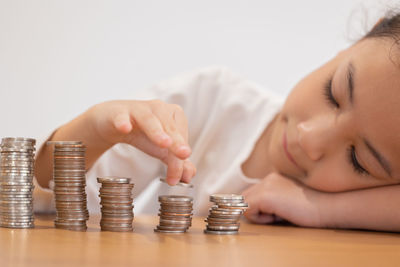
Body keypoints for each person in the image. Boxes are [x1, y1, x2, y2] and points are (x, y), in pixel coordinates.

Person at [34, 13, 400, 232]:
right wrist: (91, 131)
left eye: (359, 160)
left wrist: (325, 211)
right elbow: (44, 200)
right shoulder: (210, 100)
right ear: (349, 47)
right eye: (334, 93)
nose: (309, 138)